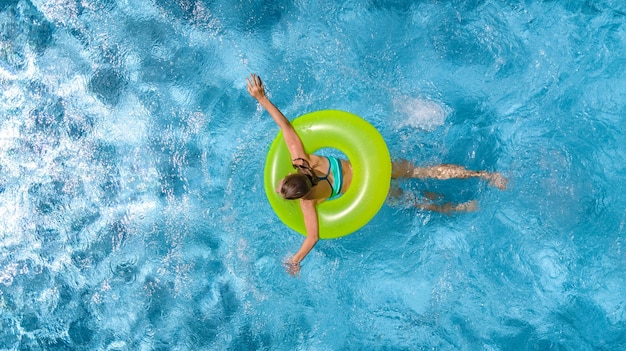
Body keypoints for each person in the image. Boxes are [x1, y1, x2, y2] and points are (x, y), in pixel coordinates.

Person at [246, 74, 507, 276]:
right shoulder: (303, 159)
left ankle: (463, 207)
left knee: (418, 202)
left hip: (371, 192)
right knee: (424, 171)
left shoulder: (308, 202)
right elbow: (286, 125)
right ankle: (487, 176)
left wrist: (295, 260)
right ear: (293, 175)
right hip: (374, 167)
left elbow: (312, 237)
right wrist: (261, 97)